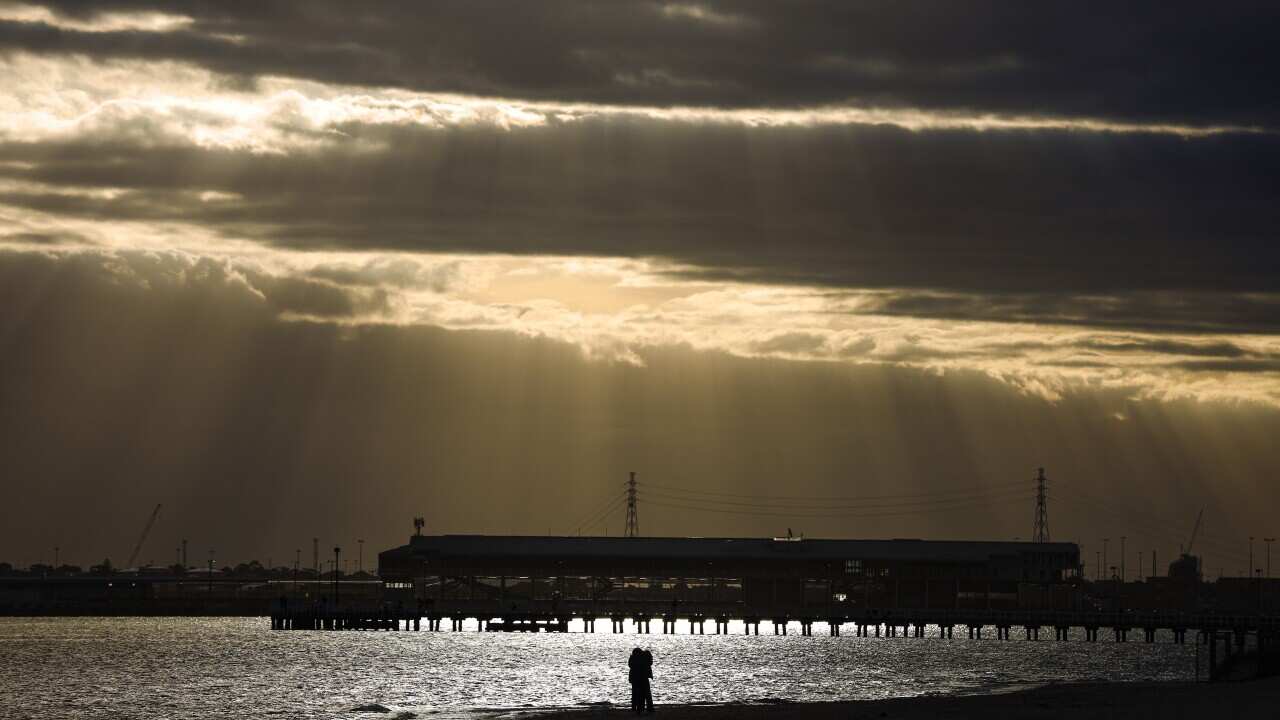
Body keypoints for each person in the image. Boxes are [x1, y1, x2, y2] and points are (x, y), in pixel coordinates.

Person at [627, 647, 646, 714]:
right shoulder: (641, 659)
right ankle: (640, 707)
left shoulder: (632, 658)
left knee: (634, 693)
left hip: (634, 678)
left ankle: (634, 707)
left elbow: (629, 665)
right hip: (640, 678)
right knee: (640, 693)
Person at [639, 648, 654, 713]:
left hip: (639, 678)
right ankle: (649, 708)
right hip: (644, 678)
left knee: (641, 694)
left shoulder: (640, 660)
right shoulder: (646, 661)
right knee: (647, 694)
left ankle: (641, 708)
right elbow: (650, 663)